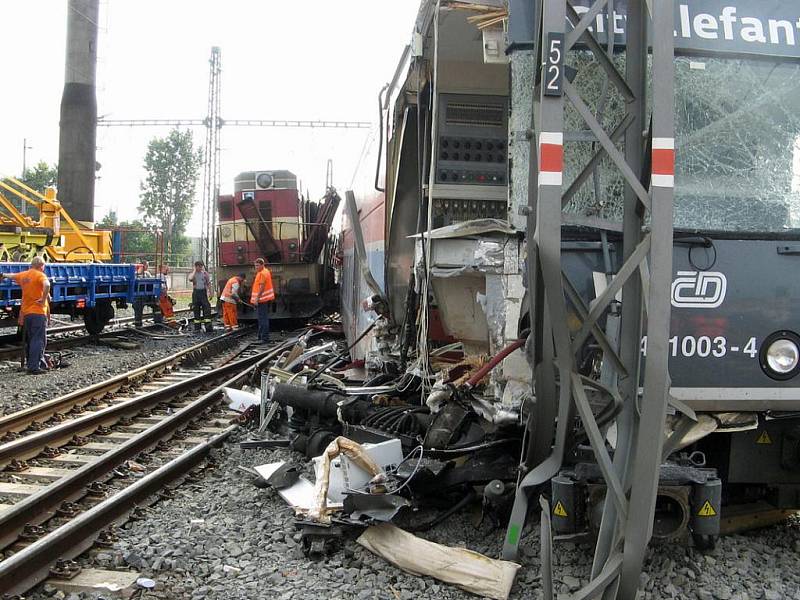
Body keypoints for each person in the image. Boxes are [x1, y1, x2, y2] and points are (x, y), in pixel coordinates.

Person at [0, 257, 50, 374]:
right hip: (38, 312)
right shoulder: (40, 275)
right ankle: (34, 367)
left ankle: (31, 363)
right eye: (44, 267)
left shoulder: (24, 275)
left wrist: (3, 275)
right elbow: (47, 285)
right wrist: (43, 300)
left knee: (31, 339)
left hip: (27, 313)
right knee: (39, 340)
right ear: (41, 266)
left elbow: (12, 276)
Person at [250, 258, 275, 342]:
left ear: (262, 265)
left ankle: (264, 338)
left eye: (257, 265)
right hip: (263, 299)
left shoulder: (262, 273)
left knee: (263, 319)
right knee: (261, 318)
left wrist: (257, 298)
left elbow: (261, 287)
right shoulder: (264, 272)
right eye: (255, 265)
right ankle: (261, 337)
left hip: (262, 300)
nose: (256, 267)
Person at [133, 260, 161, 327]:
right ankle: (138, 323)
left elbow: (152, 280)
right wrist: (139, 272)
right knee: (138, 308)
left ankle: (158, 321)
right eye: (146, 265)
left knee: (157, 305)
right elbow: (135, 281)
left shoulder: (147, 273)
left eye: (148, 265)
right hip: (139, 295)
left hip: (149, 295)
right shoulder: (135, 273)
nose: (147, 267)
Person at [188, 260, 213, 333]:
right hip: (196, 293)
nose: (201, 268)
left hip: (203, 293)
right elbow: (190, 279)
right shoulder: (193, 274)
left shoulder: (205, 274)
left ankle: (208, 328)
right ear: (196, 267)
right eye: (199, 266)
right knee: (196, 310)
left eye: (201, 266)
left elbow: (208, 283)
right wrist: (194, 270)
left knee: (207, 309)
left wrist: (210, 293)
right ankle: (197, 328)